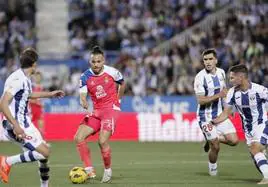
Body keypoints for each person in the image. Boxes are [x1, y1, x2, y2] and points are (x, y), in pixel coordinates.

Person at [0, 47, 65, 186]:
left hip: (26, 123)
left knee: (43, 157)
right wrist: (16, 125)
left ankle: (44, 186)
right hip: (17, 125)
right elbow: (3, 103)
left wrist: (50, 94)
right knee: (45, 152)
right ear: (34, 63)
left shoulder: (25, 78)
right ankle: (6, 161)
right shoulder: (18, 79)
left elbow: (27, 95)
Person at [74, 46, 125, 183]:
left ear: (103, 61)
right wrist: (83, 100)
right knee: (79, 137)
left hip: (110, 110)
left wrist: (118, 100)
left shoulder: (112, 72)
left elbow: (122, 83)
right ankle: (89, 170)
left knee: (102, 141)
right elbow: (83, 94)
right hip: (97, 111)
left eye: (99, 61)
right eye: (93, 62)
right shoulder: (85, 76)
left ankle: (108, 170)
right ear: (90, 62)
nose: (96, 64)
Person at [210, 64, 268, 184]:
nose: (230, 81)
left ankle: (267, 178)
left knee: (255, 149)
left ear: (241, 77)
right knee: (255, 155)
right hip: (248, 130)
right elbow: (226, 113)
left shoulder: (259, 90)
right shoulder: (232, 93)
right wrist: (213, 122)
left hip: (262, 125)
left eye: (232, 78)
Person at [194, 48, 238, 176]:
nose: (208, 62)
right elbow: (201, 100)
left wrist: (228, 108)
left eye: (210, 59)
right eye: (205, 60)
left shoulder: (222, 73)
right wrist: (219, 95)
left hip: (219, 114)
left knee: (234, 141)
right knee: (216, 146)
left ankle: (210, 138)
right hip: (205, 117)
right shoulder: (200, 78)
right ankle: (213, 169)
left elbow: (224, 92)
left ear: (216, 60)